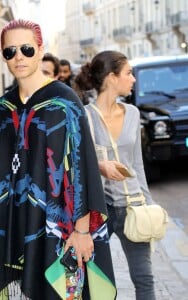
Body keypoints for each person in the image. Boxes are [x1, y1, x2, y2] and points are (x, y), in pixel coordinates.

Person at [0, 19, 116, 299]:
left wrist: (81, 230)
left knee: (62, 294)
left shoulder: (63, 102)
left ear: (41, 50)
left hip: (61, 227)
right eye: (10, 51)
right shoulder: (3, 108)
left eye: (27, 49)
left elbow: (82, 166)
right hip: (16, 222)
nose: (18, 57)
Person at [84, 50, 156, 300]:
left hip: (132, 207)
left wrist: (148, 204)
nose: (133, 79)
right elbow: (78, 164)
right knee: (95, 281)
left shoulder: (133, 113)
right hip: (99, 209)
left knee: (144, 279)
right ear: (112, 78)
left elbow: (137, 163)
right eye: (128, 73)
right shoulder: (85, 116)